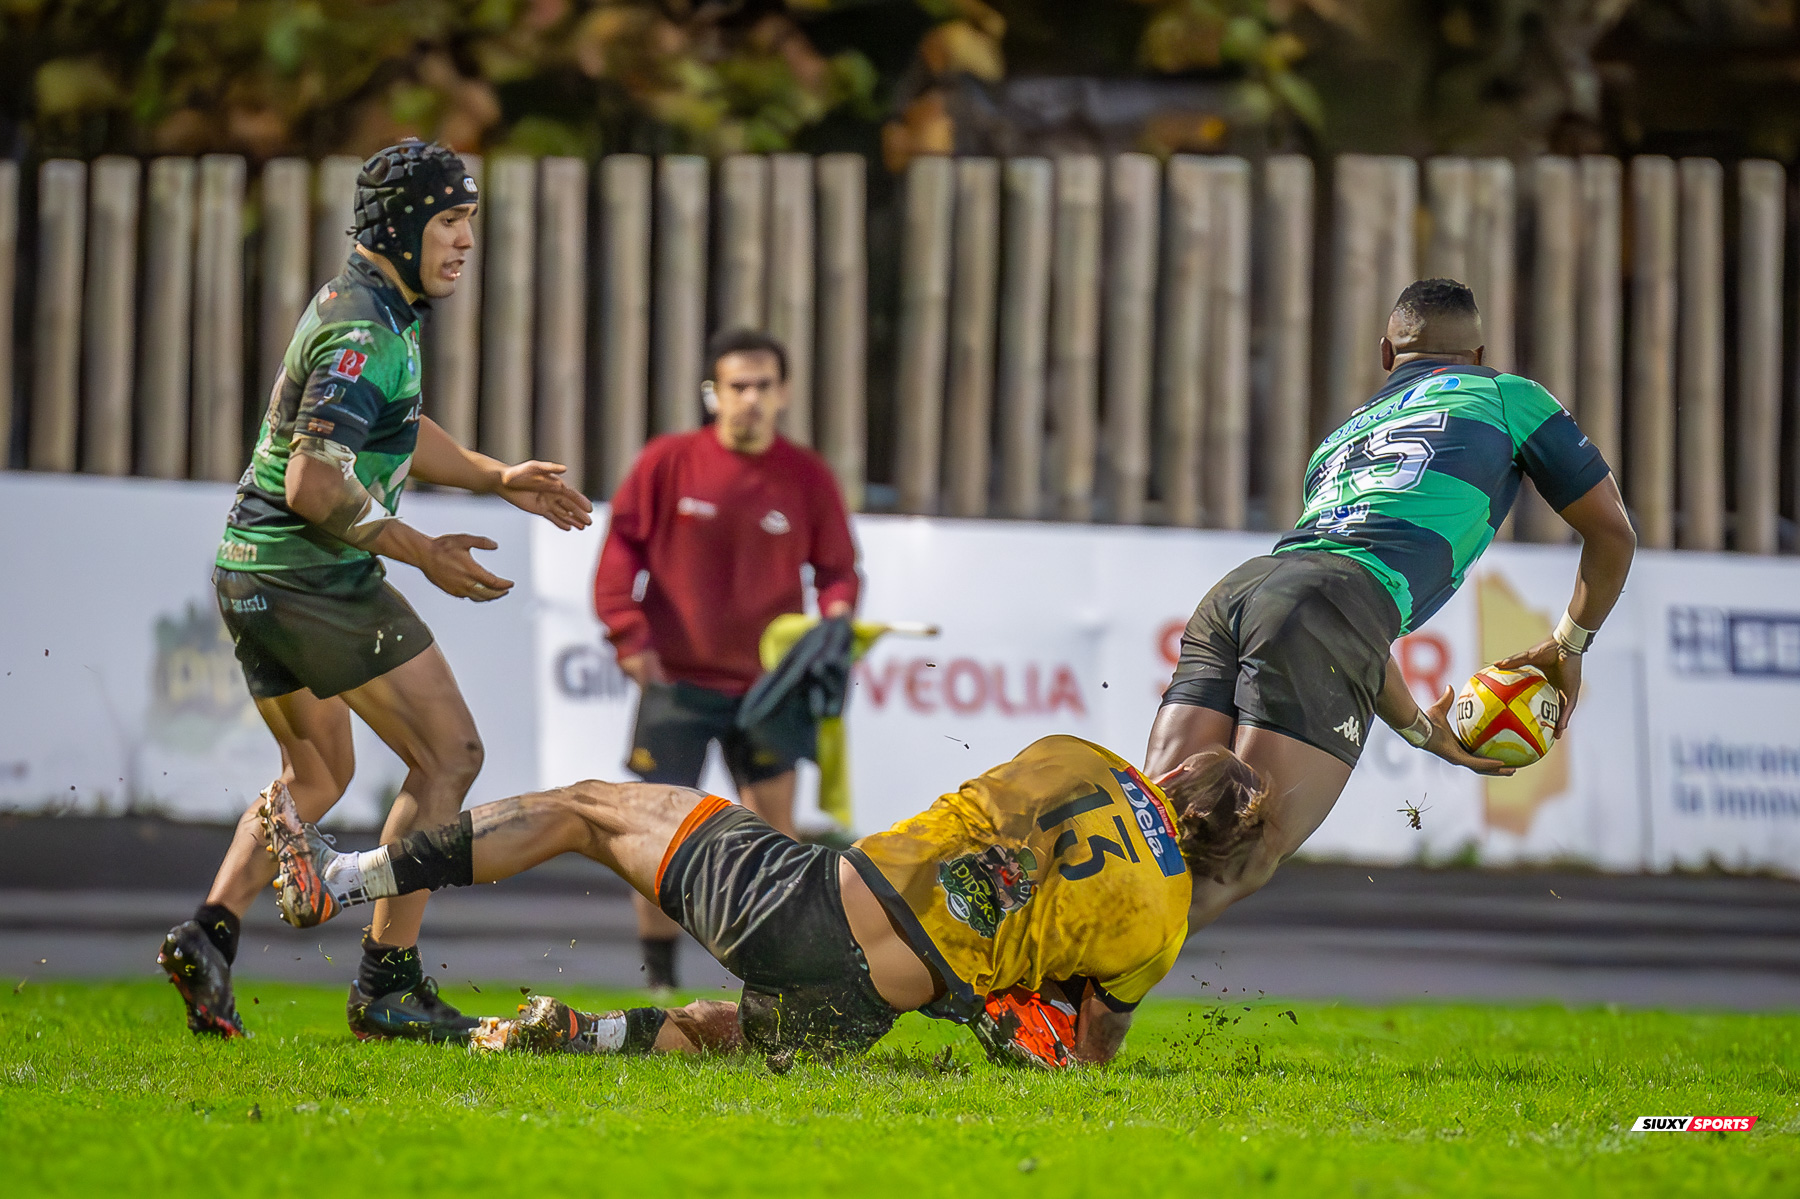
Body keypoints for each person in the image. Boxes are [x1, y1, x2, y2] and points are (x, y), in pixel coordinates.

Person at [157, 140, 593, 1041]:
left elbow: (394, 426)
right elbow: (314, 484)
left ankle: (208, 933)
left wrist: (492, 473)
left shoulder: (374, 310)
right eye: (450, 221)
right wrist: (421, 550)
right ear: (399, 226)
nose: (466, 240)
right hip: (309, 571)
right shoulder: (365, 327)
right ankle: (388, 986)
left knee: (317, 774)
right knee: (450, 755)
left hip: (252, 568)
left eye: (470, 220)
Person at [261, 735, 1262, 1067]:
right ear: (1218, 849)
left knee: (586, 807)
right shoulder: (1165, 923)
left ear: (1166, 766)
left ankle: (342, 878)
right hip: (864, 1012)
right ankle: (577, 1032)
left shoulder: (1080, 753)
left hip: (808, 904)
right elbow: (1090, 1045)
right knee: (728, 1031)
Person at [1144, 278, 1637, 927]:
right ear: (1479, 350)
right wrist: (1569, 644)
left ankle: (1016, 942)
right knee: (1244, 846)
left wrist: (1425, 730)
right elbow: (1613, 534)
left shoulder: (1340, 438)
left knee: (1150, 825)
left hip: (1243, 589)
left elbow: (1341, 610)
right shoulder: (1505, 395)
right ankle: (1074, 1010)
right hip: (1326, 603)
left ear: (1386, 354)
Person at [593, 328, 859, 994]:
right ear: (714, 392)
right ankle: (660, 980)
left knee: (776, 836)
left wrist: (834, 619)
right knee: (656, 832)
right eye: (737, 386)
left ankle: (775, 982)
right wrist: (628, 635)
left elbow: (837, 571)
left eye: (763, 385)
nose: (750, 399)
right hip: (677, 682)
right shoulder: (668, 461)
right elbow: (620, 551)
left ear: (784, 392)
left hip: (770, 689)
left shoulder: (807, 476)